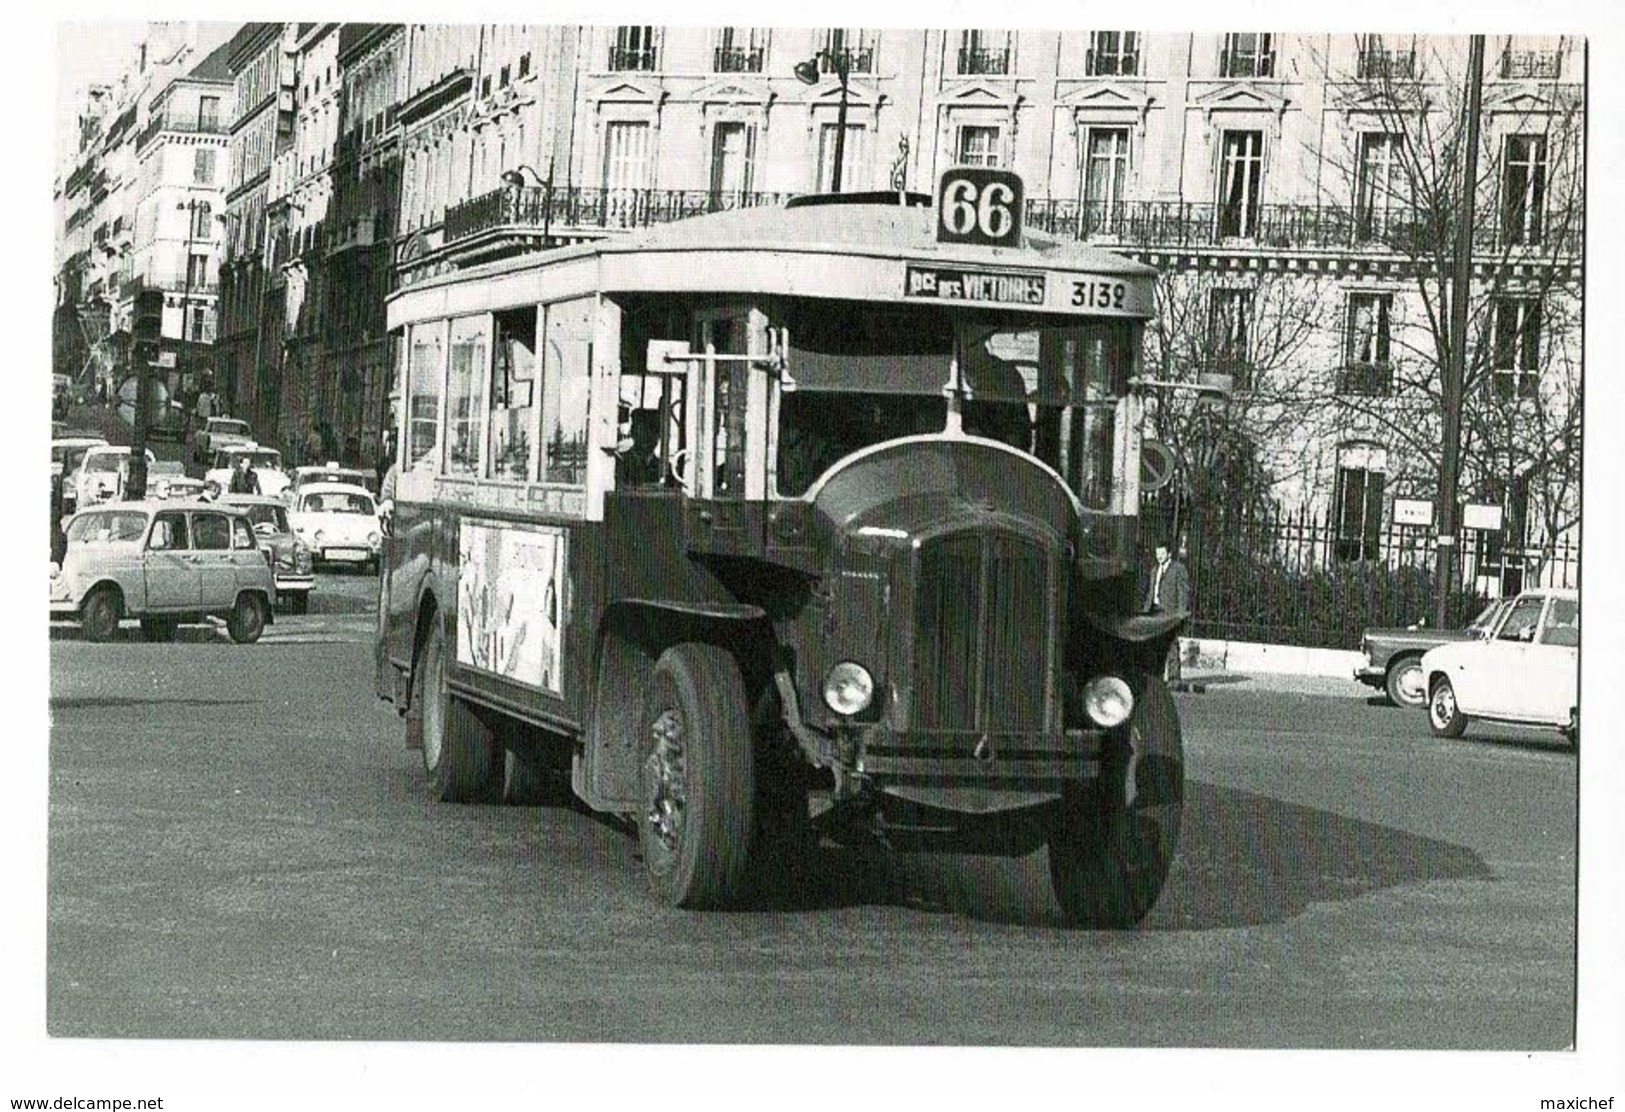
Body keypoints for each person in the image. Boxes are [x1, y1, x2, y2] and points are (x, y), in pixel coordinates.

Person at [1144, 541, 1192, 683]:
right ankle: (1156, 676)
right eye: (1157, 553)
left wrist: (1180, 613)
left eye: (1162, 553)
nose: (1159, 556)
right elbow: (1151, 592)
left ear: (1169, 554)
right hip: (1155, 611)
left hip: (1170, 612)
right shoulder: (1154, 570)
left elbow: (1183, 592)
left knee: (1171, 645)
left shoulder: (1178, 569)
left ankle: (1174, 677)